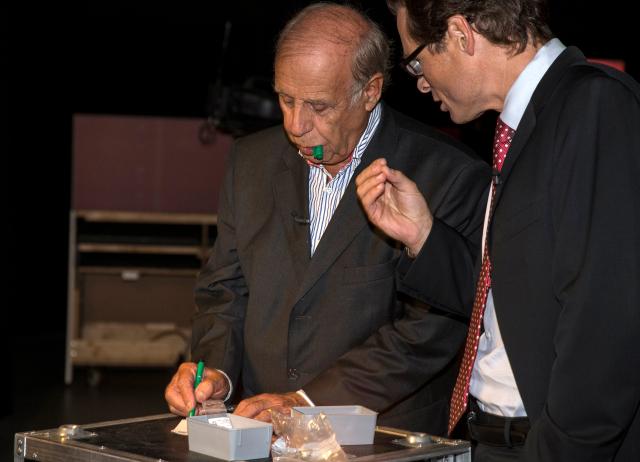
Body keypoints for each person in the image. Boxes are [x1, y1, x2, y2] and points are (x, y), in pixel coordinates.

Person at [164, 2, 489, 434]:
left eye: (319, 106)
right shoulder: (251, 161)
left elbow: (432, 329)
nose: (296, 125)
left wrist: (308, 402)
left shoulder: (448, 174)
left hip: (382, 438)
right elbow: (224, 290)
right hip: (261, 431)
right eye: (285, 99)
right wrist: (215, 373)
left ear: (370, 92)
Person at [356, 0, 640, 460]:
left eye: (416, 61)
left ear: (461, 34)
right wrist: (423, 236)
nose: (421, 82)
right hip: (495, 440)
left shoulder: (593, 105)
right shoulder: (530, 121)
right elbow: (515, 297)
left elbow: (606, 327)